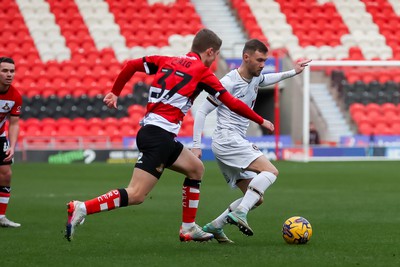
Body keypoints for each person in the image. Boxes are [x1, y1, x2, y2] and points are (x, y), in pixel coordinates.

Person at [65, 29, 274, 242]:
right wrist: (260, 120)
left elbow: (130, 65)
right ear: (210, 52)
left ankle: (189, 228)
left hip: (155, 133)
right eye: (216, 55)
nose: (215, 60)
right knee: (136, 194)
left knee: (195, 168)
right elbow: (232, 102)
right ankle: (82, 207)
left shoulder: (166, 60)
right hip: (159, 137)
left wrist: (115, 91)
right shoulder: (201, 71)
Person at [192, 39, 311, 243]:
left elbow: (269, 78)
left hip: (231, 142)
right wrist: (196, 145)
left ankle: (216, 226)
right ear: (246, 57)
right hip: (228, 139)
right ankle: (240, 214)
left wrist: (293, 72)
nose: (263, 64)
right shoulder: (228, 82)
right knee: (271, 171)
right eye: (259, 60)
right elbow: (202, 111)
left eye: (265, 60)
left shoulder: (256, 77)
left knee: (256, 197)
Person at [0, 57, 22, 228]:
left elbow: (14, 123)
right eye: (5, 71)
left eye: (12, 71)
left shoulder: (15, 96)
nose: (9, 74)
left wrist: (12, 146)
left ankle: (1, 217)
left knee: (6, 174)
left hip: (0, 137)